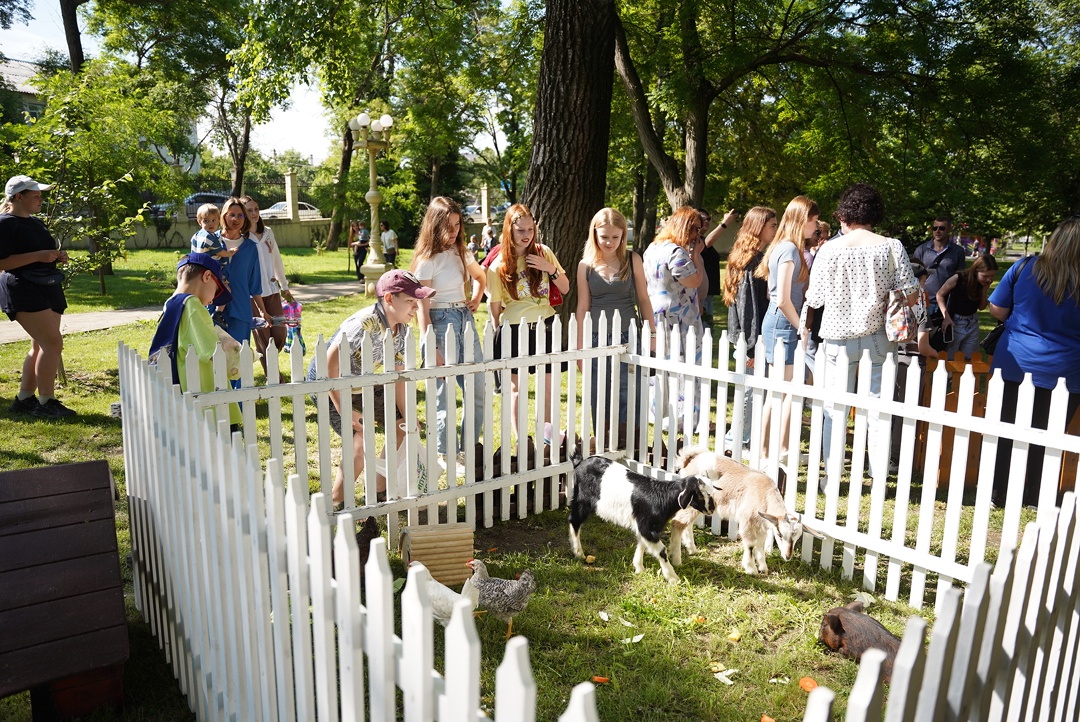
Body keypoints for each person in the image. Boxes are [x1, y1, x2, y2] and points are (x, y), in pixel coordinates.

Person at [803, 183, 918, 482]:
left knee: (834, 410)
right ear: (875, 212)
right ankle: (878, 477)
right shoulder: (892, 246)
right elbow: (910, 292)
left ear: (844, 213)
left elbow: (814, 298)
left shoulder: (829, 249)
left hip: (837, 340)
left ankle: (832, 476)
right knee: (878, 411)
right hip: (879, 338)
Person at [305, 269, 434, 509]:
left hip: (363, 384)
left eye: (417, 302)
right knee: (360, 442)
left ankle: (378, 490)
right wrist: (346, 410)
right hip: (329, 385)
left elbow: (397, 377)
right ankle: (336, 502)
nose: (416, 308)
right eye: (410, 302)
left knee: (402, 427)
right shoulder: (362, 324)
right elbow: (327, 365)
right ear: (388, 299)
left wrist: (408, 415)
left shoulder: (402, 330)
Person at [989, 217, 1080, 507]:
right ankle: (1034, 495)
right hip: (1067, 370)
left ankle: (998, 491)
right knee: (1049, 435)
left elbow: (997, 310)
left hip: (1016, 362)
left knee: (1006, 428)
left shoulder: (1023, 267)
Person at [410, 196, 488, 460]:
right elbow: (422, 307)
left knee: (477, 387)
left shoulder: (461, 252)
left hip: (465, 318)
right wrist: (431, 345)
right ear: (434, 225)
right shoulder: (427, 260)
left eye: (457, 224)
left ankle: (468, 449)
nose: (454, 231)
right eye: (448, 225)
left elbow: (480, 277)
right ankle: (445, 452)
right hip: (439, 321)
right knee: (443, 394)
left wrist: (476, 299)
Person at [486, 203, 570, 439]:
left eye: (530, 230)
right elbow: (494, 307)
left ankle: (547, 438)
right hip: (514, 330)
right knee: (516, 390)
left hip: (546, 325)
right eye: (520, 230)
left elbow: (564, 287)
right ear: (509, 230)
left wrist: (549, 268)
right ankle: (522, 443)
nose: (526, 235)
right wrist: (497, 331)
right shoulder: (498, 265)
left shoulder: (544, 253)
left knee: (548, 388)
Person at [574, 207, 653, 445]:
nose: (609, 242)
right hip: (597, 337)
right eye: (604, 236)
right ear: (594, 234)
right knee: (600, 392)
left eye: (615, 237)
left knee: (630, 390)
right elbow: (582, 307)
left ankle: (632, 440)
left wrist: (653, 333)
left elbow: (644, 298)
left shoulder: (633, 259)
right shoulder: (585, 265)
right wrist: (580, 347)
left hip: (629, 335)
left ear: (623, 235)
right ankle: (605, 440)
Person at [0, 175, 76, 418]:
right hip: (22, 287)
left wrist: (55, 256)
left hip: (47, 285)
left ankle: (24, 399)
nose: (41, 198)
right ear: (18, 197)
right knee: (52, 342)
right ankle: (46, 403)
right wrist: (40, 256)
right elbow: (2, 263)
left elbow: (40, 252)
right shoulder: (4, 223)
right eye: (36, 195)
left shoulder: (35, 222)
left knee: (41, 344)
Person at [754, 195, 819, 463]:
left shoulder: (782, 246)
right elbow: (781, 298)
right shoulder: (790, 249)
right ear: (802, 220)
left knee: (781, 389)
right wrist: (801, 326)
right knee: (785, 390)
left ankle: (773, 450)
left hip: (778, 321)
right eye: (813, 220)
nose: (815, 226)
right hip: (783, 324)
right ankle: (774, 451)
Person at [148, 253, 241, 429]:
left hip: (186, 401)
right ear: (207, 276)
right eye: (216, 290)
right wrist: (245, 356)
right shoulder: (192, 306)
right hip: (210, 407)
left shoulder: (171, 305)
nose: (213, 299)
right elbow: (215, 353)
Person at [721, 206, 776, 449]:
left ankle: (745, 438)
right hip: (750, 339)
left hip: (749, 338)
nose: (776, 230)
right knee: (750, 393)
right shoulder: (751, 261)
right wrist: (751, 348)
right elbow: (748, 309)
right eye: (772, 225)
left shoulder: (751, 256)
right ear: (759, 227)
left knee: (753, 392)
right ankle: (735, 440)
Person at [217, 197, 270, 360]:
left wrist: (262, 310)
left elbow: (254, 284)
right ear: (224, 216)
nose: (236, 219)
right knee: (214, 358)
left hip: (241, 310)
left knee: (237, 358)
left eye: (241, 215)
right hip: (213, 308)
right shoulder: (211, 242)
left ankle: (238, 387)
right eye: (231, 215)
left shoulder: (250, 248)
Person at [242, 196, 288, 378]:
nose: (254, 213)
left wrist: (284, 285)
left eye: (256, 209)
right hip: (253, 294)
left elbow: (276, 258)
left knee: (279, 333)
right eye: (249, 211)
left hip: (272, 290)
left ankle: (271, 365)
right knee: (263, 337)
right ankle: (273, 376)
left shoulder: (268, 232)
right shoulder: (242, 237)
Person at [935, 253, 997, 360]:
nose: (989, 279)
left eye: (992, 276)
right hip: (955, 321)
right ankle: (949, 376)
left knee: (970, 357)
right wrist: (946, 316)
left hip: (972, 322)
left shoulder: (982, 285)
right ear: (975, 271)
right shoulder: (958, 278)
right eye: (985, 276)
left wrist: (984, 291)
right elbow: (939, 294)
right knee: (950, 356)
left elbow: (982, 307)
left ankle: (965, 376)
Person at [912, 216, 966, 311]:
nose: (937, 231)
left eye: (942, 228)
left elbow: (960, 277)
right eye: (935, 228)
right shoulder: (921, 250)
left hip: (947, 303)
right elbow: (913, 276)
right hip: (924, 302)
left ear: (949, 229)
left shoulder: (958, 251)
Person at [699, 208, 739, 328]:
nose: (706, 221)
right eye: (702, 218)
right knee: (704, 331)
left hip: (707, 293)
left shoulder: (700, 239)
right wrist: (725, 223)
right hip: (700, 293)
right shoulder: (695, 241)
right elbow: (707, 243)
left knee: (708, 330)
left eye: (708, 219)